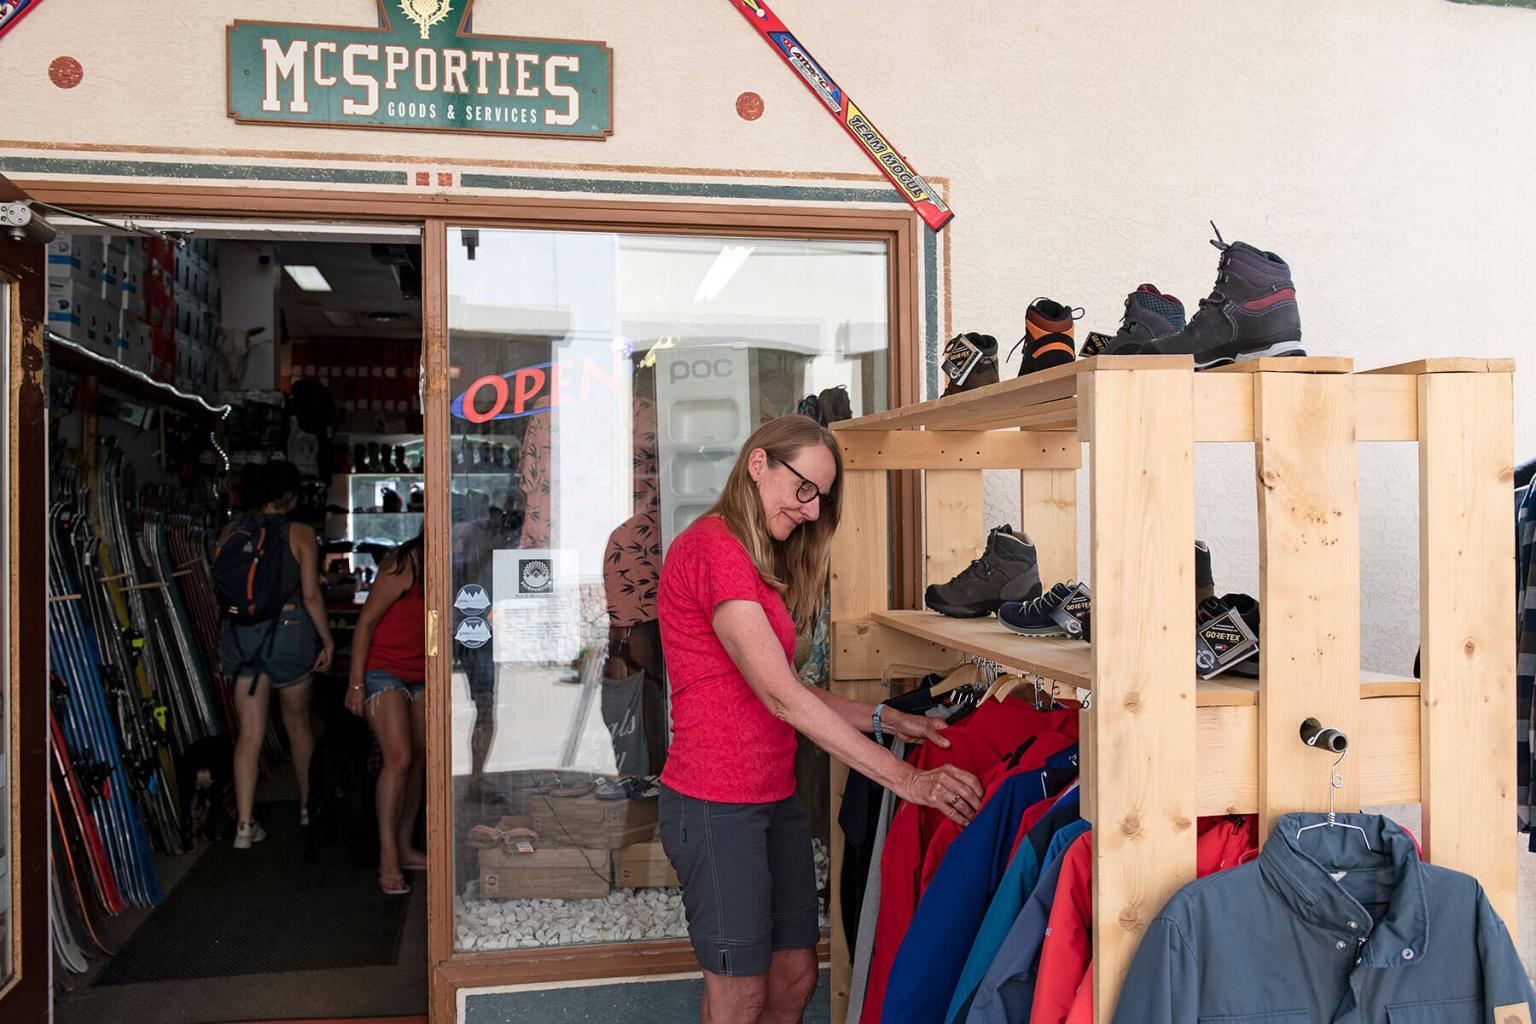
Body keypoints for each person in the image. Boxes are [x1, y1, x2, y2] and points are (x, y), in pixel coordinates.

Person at [657, 415, 984, 1024]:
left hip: (772, 797)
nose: (811, 512)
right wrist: (908, 781)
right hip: (713, 804)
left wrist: (885, 718)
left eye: (821, 499)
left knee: (796, 977)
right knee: (741, 995)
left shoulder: (754, 561)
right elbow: (781, 697)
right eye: (805, 490)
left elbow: (782, 689)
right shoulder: (712, 549)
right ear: (759, 464)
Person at [218, 461, 335, 849]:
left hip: (243, 638)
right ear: (289, 495)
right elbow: (312, 595)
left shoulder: (232, 531)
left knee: (249, 734)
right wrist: (327, 639)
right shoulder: (300, 532)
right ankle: (308, 807)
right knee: (298, 723)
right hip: (289, 634)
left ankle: (245, 826)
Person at [345, 532, 426, 895]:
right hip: (384, 669)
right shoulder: (403, 562)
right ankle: (388, 858)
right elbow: (366, 623)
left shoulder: (454, 564)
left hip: (426, 671)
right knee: (400, 758)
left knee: (421, 758)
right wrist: (356, 684)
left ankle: (406, 848)